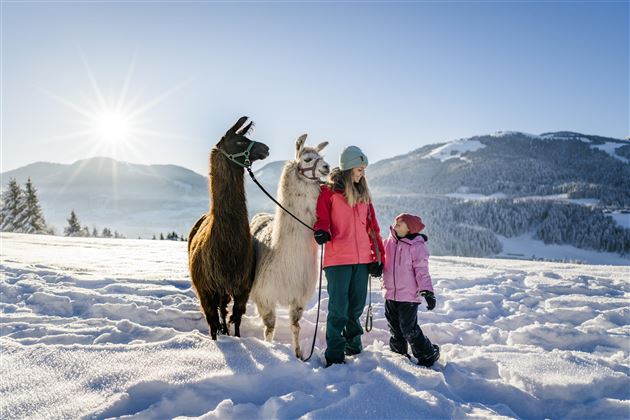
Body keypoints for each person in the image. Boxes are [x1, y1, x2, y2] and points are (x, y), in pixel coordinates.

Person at [313, 145, 385, 367]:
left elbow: (373, 229)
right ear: (348, 168)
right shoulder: (328, 193)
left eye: (363, 169)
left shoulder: (364, 196)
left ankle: (353, 345)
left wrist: (378, 257)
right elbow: (321, 217)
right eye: (359, 168)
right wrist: (322, 229)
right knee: (338, 307)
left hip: (362, 260)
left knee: (356, 306)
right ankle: (334, 354)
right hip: (338, 259)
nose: (362, 172)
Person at [382, 213, 440, 367]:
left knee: (408, 329)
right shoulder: (388, 243)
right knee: (394, 327)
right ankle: (398, 354)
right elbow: (378, 257)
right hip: (390, 293)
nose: (396, 225)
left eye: (400, 224)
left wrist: (427, 291)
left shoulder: (416, 246)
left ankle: (427, 354)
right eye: (395, 222)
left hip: (408, 296)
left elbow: (422, 271)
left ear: (409, 229)